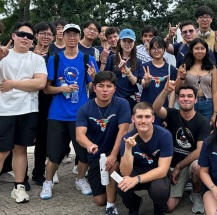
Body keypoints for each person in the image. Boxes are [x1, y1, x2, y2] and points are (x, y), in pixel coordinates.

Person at [40, 23, 99, 200]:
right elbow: (46, 89)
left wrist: (95, 77)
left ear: (79, 37)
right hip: (57, 113)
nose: (72, 38)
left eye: (75, 35)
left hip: (80, 113)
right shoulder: (55, 59)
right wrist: (62, 89)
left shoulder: (87, 59)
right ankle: (48, 182)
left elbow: (94, 87)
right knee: (54, 153)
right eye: (68, 35)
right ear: (63, 37)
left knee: (83, 153)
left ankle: (80, 179)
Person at [0, 22, 48, 203]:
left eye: (29, 36)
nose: (25, 38)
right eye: (21, 34)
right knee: (2, 151)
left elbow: (39, 83)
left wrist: (12, 84)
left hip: (28, 110)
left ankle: (19, 187)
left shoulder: (37, 59)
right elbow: (32, 83)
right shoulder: (3, 54)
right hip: (4, 110)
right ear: (13, 36)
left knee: (21, 149)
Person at [76, 71, 131, 215]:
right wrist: (89, 145)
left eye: (109, 86)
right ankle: (113, 190)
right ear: (95, 88)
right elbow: (79, 135)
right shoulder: (85, 109)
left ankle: (111, 206)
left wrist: (113, 155)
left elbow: (123, 130)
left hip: (118, 152)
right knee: (100, 200)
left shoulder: (122, 104)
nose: (105, 90)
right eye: (101, 86)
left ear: (114, 89)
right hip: (96, 156)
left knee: (112, 167)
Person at [153, 80, 210, 213]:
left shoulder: (202, 122)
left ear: (196, 100)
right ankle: (183, 186)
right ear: (178, 99)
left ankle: (196, 193)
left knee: (198, 166)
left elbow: (200, 151)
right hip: (170, 163)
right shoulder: (172, 114)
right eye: (182, 96)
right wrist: (166, 91)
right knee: (168, 207)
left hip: (187, 164)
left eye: (190, 96)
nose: (186, 99)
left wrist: (179, 167)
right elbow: (155, 109)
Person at [117, 102, 173, 215]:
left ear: (153, 118)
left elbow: (163, 170)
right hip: (138, 169)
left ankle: (158, 209)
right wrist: (128, 149)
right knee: (121, 183)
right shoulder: (127, 138)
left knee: (160, 190)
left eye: (147, 116)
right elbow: (125, 172)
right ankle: (134, 205)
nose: (143, 121)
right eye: (139, 117)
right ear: (133, 119)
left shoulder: (164, 135)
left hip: (156, 173)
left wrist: (137, 179)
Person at [30, 21, 59, 186]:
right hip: (29, 100)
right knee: (27, 139)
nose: (46, 36)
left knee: (43, 138)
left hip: (48, 100)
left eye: (49, 34)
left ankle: (39, 173)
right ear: (36, 35)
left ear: (53, 37)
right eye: (43, 33)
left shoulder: (55, 56)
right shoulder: (27, 53)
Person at [176, 38, 217, 124]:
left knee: (206, 131)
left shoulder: (212, 68)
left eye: (202, 48)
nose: (200, 51)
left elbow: (215, 92)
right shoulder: (184, 67)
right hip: (189, 102)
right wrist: (182, 78)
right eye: (196, 48)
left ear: (206, 50)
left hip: (208, 104)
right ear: (192, 50)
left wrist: (215, 113)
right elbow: (177, 90)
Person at [140, 36, 177, 125]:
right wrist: (146, 82)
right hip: (146, 105)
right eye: (153, 48)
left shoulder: (170, 68)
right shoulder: (144, 66)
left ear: (164, 49)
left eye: (159, 47)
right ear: (149, 51)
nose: (156, 50)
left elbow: (172, 91)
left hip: (162, 108)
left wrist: (169, 109)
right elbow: (143, 84)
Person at [105, 28, 142, 112]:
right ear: (120, 42)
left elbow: (134, 81)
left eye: (130, 41)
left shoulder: (137, 62)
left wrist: (126, 69)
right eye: (124, 41)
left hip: (129, 98)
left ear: (134, 43)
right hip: (113, 98)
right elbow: (106, 78)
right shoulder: (112, 58)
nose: (127, 44)